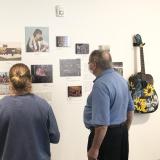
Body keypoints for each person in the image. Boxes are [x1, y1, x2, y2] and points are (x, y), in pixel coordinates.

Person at [0, 63, 60, 160]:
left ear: (10, 81)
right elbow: (55, 137)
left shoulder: (1, 106)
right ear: (30, 80)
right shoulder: (43, 105)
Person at [83, 49, 134, 160]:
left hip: (105, 138)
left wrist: (95, 149)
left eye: (89, 63)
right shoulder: (122, 80)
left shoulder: (101, 84)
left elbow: (102, 124)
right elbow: (130, 111)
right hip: (121, 134)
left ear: (94, 65)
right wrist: (123, 131)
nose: (89, 66)